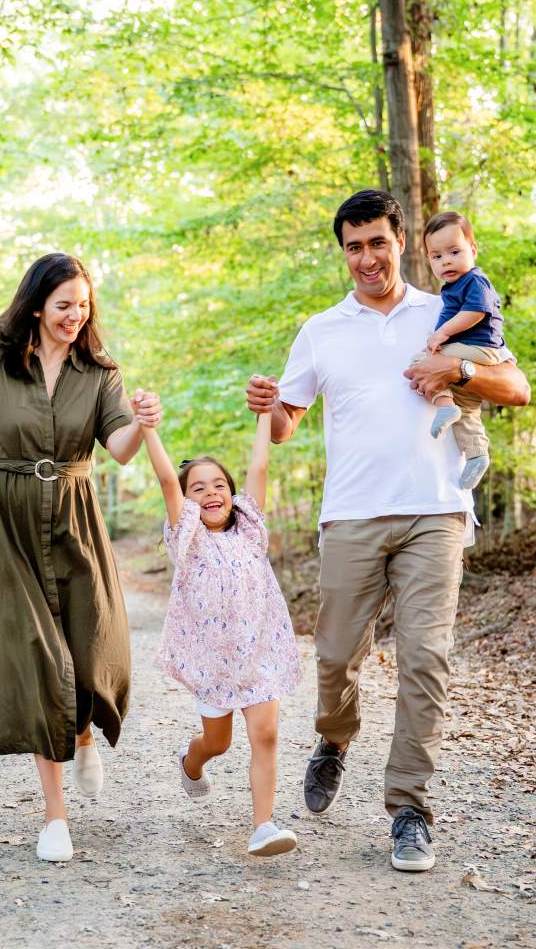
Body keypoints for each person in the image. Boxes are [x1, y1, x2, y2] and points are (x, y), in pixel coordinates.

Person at [246, 190, 529, 872]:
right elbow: (287, 423)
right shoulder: (321, 329)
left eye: (378, 241)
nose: (366, 257)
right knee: (337, 655)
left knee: (424, 660)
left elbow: (515, 386)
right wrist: (268, 407)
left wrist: (455, 368)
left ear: (401, 240)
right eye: (353, 246)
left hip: (435, 510)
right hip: (350, 513)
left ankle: (409, 808)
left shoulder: (446, 310)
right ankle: (334, 739)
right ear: (342, 252)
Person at [0, 253, 161, 863]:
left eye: (83, 306)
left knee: (90, 648)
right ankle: (55, 818)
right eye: (63, 306)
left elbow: (123, 448)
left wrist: (148, 422)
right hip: (9, 521)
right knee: (36, 660)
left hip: (75, 518)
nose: (75, 317)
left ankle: (82, 733)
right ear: (34, 306)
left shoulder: (102, 373)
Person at [134, 397, 301, 857]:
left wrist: (265, 414)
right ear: (187, 502)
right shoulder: (186, 539)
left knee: (265, 734)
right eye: (199, 488)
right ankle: (191, 763)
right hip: (212, 660)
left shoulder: (250, 530)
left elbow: (260, 471)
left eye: (219, 485)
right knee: (217, 742)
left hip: (259, 652)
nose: (211, 493)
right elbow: (168, 478)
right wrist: (148, 427)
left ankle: (263, 825)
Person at [413, 211, 506, 490]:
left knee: (424, 362)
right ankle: (477, 454)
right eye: (437, 256)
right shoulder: (453, 286)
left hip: (481, 348)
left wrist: (443, 332)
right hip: (471, 352)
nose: (446, 261)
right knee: (468, 408)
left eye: (455, 251)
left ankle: (444, 405)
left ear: (473, 250)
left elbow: (477, 311)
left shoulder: (475, 281)